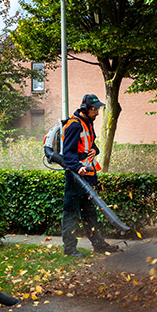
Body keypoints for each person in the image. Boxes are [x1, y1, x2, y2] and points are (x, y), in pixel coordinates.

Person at [61, 94, 121, 257]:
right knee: (71, 213)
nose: (97, 113)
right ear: (85, 109)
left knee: (89, 213)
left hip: (87, 176)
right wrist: (78, 167)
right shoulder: (74, 125)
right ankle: (70, 249)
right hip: (75, 178)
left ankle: (99, 245)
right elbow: (68, 154)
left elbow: (89, 143)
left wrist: (96, 149)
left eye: (97, 109)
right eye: (95, 110)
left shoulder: (87, 123)